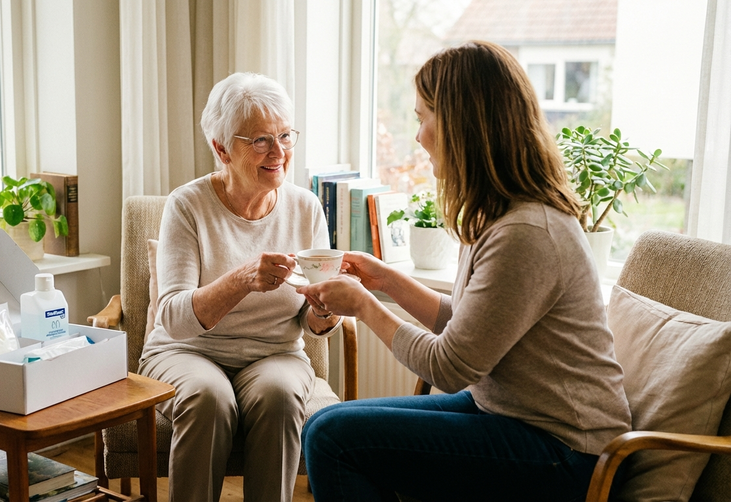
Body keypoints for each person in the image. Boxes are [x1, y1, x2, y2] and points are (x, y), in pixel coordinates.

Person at [297, 41, 632, 501]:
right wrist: (386, 279)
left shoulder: (527, 232)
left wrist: (364, 305)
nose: (418, 137)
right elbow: (470, 326)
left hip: (568, 451)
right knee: (322, 423)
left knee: (332, 438)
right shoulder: (500, 215)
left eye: (423, 118)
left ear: (461, 126)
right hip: (509, 415)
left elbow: (449, 366)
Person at [138, 72, 343, 502]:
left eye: (285, 135)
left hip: (275, 353)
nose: (279, 152)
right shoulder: (187, 205)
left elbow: (311, 321)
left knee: (280, 395)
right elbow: (173, 319)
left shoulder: (306, 207)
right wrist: (243, 279)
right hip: (186, 352)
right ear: (222, 149)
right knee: (207, 397)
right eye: (261, 140)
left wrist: (325, 309)